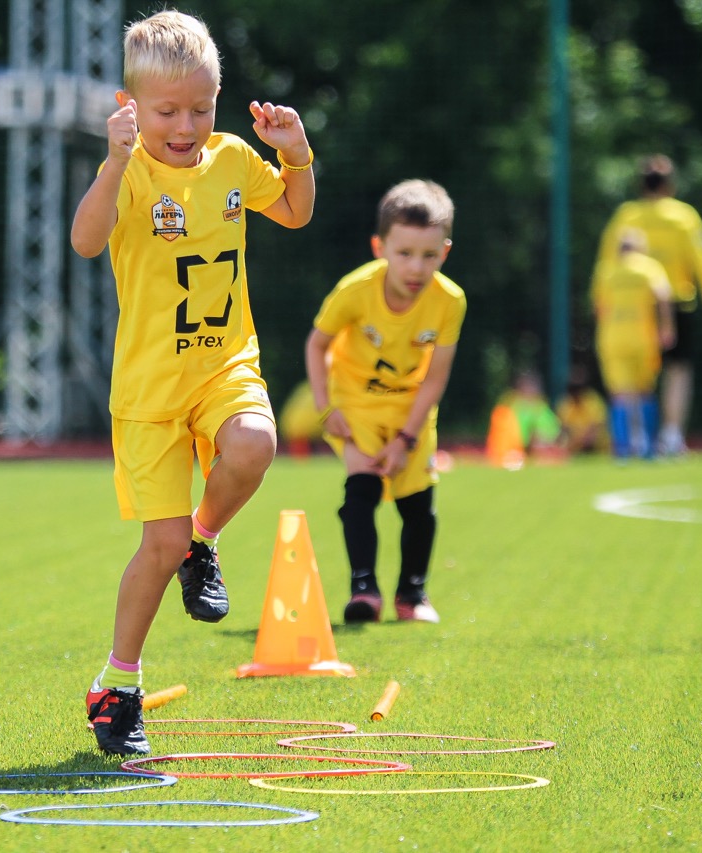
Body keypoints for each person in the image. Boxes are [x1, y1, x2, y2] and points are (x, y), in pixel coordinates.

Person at [69, 10, 315, 755]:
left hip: (224, 364)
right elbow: (84, 241)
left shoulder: (235, 158)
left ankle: (203, 542)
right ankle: (117, 683)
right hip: (149, 389)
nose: (185, 124)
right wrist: (111, 164)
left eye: (200, 108)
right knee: (156, 544)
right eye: (166, 110)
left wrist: (296, 152)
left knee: (254, 444)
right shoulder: (130, 171)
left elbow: (296, 213)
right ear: (130, 107)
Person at [304, 180, 465, 626]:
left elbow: (436, 377)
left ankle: (412, 595)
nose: (416, 267)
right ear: (380, 247)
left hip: (411, 409)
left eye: (429, 255)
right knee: (362, 491)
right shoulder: (355, 291)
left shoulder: (450, 301)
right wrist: (325, 409)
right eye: (405, 253)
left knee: (418, 506)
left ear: (445, 252)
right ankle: (364, 591)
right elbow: (317, 345)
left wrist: (408, 438)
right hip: (355, 404)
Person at [593, 155, 702, 456]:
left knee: (635, 376)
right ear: (670, 184)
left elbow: (605, 263)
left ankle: (635, 439)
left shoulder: (626, 216)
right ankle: (669, 435)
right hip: (676, 304)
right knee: (677, 370)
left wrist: (600, 305)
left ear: (640, 184)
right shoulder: (683, 217)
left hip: (630, 311)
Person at [593, 228, 676, 459]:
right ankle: (649, 448)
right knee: (645, 391)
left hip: (613, 338)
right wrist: (667, 328)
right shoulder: (649, 268)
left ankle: (623, 448)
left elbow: (600, 308)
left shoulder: (606, 270)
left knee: (620, 393)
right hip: (643, 337)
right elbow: (664, 296)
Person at [555, 363, 609, 455]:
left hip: (598, 449)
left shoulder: (593, 401)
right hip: (575, 449)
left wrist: (573, 444)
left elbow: (592, 435)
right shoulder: (566, 404)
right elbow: (562, 430)